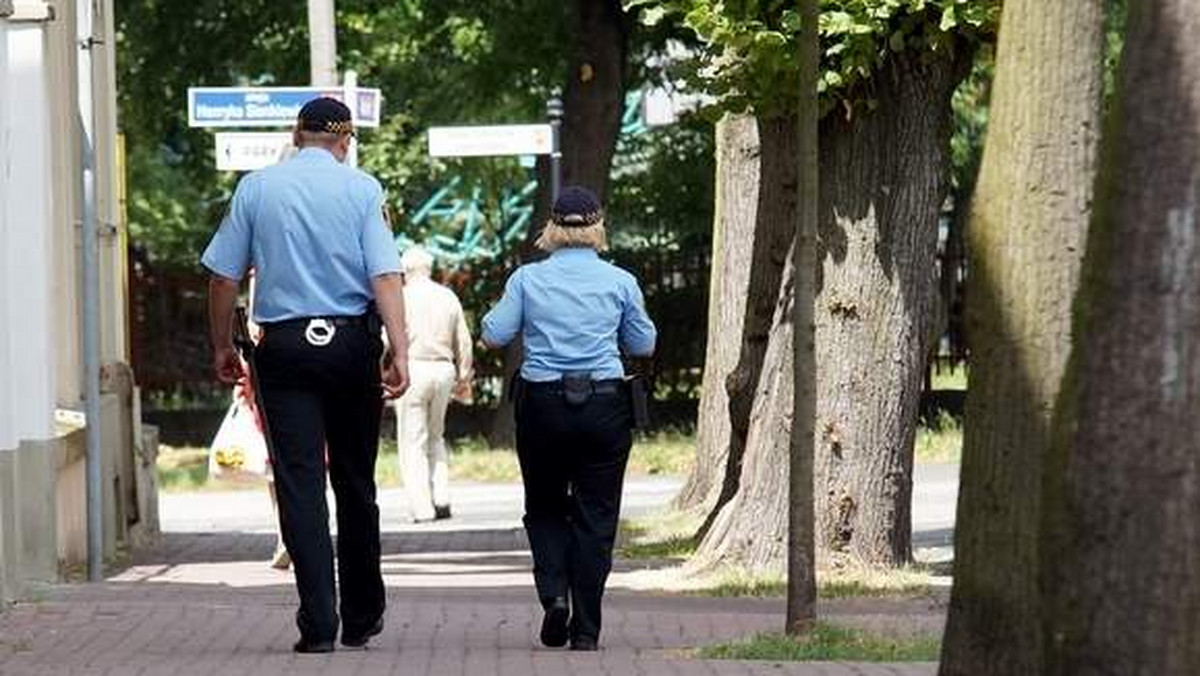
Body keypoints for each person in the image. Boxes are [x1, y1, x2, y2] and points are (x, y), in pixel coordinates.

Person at [202, 97, 410, 654]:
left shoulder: (256, 188)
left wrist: (223, 345)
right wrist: (400, 350)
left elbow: (224, 278)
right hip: (351, 346)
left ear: (297, 135)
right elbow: (386, 275)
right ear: (344, 143)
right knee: (355, 481)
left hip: (285, 349)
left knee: (299, 483)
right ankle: (362, 615)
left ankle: (318, 623)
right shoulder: (364, 190)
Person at [481, 186, 656, 652]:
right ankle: (587, 630)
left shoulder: (526, 280)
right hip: (604, 405)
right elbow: (643, 344)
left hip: (543, 405)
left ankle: (554, 594)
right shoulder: (620, 281)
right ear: (598, 227)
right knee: (596, 515)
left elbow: (495, 334)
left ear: (551, 228)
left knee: (544, 504)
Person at [394, 245, 473, 522]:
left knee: (412, 441)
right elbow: (463, 340)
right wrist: (463, 376)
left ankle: (421, 507)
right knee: (436, 435)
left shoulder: (400, 298)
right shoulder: (447, 297)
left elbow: (384, 338)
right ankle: (442, 497)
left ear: (405, 271)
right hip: (443, 370)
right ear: (429, 269)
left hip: (413, 368)